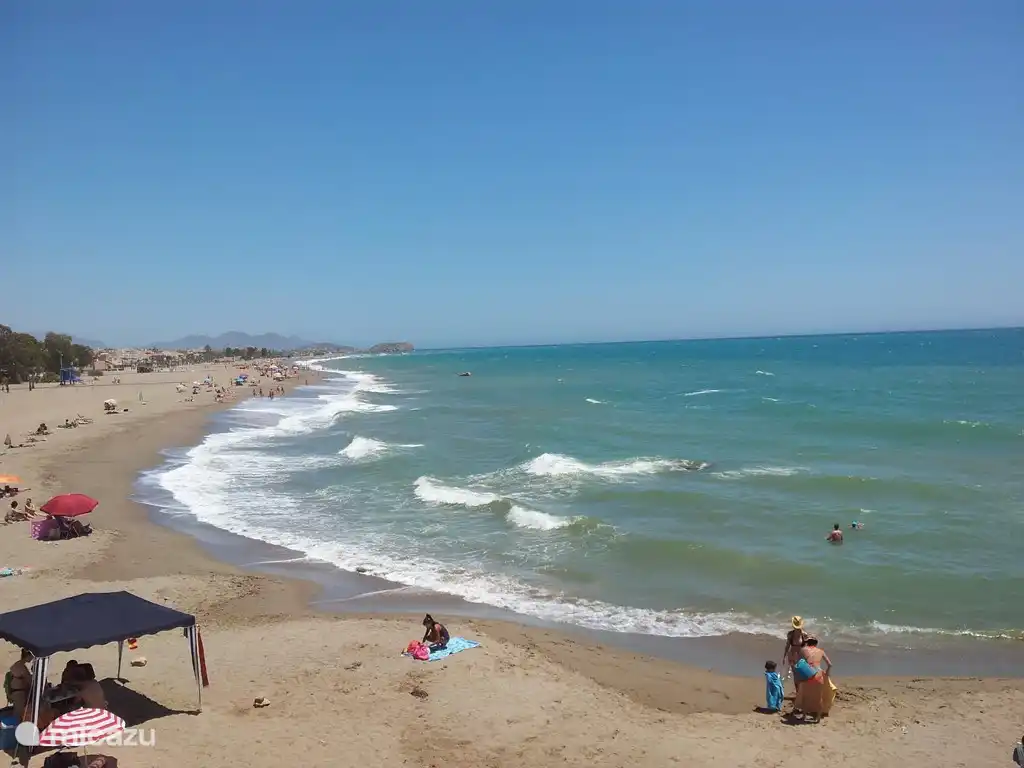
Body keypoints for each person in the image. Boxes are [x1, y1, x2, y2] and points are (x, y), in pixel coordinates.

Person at [794, 636, 835, 722]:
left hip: (807, 674)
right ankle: (818, 718)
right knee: (819, 698)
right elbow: (830, 664)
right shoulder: (821, 651)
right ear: (816, 644)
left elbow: (798, 664)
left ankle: (804, 716)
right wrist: (827, 673)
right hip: (818, 675)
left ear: (807, 643)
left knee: (805, 697)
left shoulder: (803, 650)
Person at [5, 648, 33, 720]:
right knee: (20, 714)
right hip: (19, 693)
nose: (32, 658)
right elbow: (29, 680)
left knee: (18, 712)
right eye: (31, 656)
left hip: (16, 692)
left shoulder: (17, 664)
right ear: (28, 655)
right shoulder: (21, 667)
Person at [781, 616, 808, 690]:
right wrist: (784, 656)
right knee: (795, 674)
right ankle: (798, 690)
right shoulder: (790, 634)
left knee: (802, 673)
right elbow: (787, 645)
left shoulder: (804, 635)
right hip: (792, 655)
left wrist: (808, 657)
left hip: (801, 656)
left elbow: (806, 647)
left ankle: (802, 689)